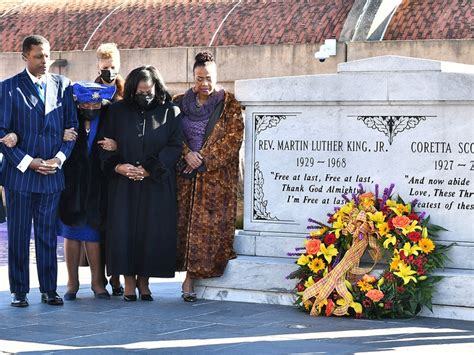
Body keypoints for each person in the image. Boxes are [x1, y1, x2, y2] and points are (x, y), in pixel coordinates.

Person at [0, 35, 78, 307]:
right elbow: (1, 132)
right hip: (20, 176)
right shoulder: (8, 89)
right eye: (38, 56)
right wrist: (28, 162)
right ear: (24, 57)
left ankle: (49, 290)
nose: (45, 61)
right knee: (19, 236)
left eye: (47, 56)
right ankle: (19, 291)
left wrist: (57, 160)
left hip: (52, 176)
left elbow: (72, 130)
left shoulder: (64, 86)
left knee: (46, 236)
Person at [101, 65, 183, 301]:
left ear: (157, 88)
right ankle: (128, 281)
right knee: (124, 231)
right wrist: (119, 166)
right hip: (122, 183)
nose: (145, 96)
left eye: (149, 91)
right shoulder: (116, 111)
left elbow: (174, 146)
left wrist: (148, 169)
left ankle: (144, 282)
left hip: (155, 182)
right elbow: (105, 144)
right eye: (139, 92)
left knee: (151, 232)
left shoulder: (171, 111)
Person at [174, 52, 244, 302]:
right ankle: (187, 275)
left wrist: (202, 158)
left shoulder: (230, 104)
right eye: (200, 78)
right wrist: (186, 155)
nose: (204, 83)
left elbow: (233, 138)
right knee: (185, 228)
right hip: (185, 177)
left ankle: (191, 280)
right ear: (193, 77)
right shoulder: (179, 102)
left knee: (209, 229)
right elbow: (171, 134)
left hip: (215, 179)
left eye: (209, 78)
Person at [58, 82, 116, 301]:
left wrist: (115, 144)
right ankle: (72, 283)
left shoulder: (109, 116)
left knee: (94, 233)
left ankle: (97, 283)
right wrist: (61, 136)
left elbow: (121, 139)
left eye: (95, 102)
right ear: (78, 103)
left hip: (98, 184)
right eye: (86, 102)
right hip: (71, 184)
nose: (91, 106)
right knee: (70, 232)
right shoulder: (68, 116)